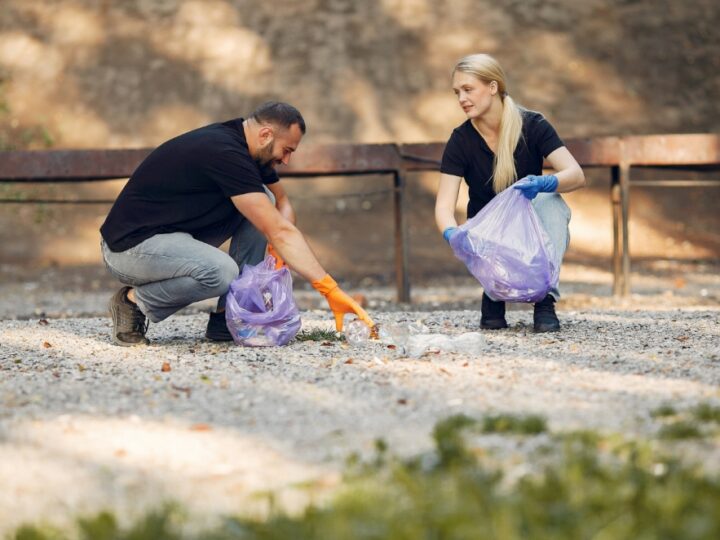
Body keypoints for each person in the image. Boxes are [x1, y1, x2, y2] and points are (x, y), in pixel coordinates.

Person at [100, 101, 374, 346]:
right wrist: (329, 290)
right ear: (266, 134)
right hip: (130, 248)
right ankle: (132, 303)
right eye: (287, 150)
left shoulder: (249, 146)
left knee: (262, 199)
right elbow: (279, 229)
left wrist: (277, 249)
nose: (287, 161)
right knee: (222, 272)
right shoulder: (223, 152)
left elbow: (281, 202)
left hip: (175, 238)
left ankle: (226, 317)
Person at [435, 54, 585, 332]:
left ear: (493, 87)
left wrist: (545, 184)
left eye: (468, 89)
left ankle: (545, 299)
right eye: (457, 92)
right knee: (491, 323)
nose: (461, 99)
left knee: (551, 203)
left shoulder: (532, 125)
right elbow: (444, 206)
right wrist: (451, 233)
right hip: (489, 232)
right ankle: (493, 295)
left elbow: (575, 174)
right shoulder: (461, 140)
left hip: (532, 228)